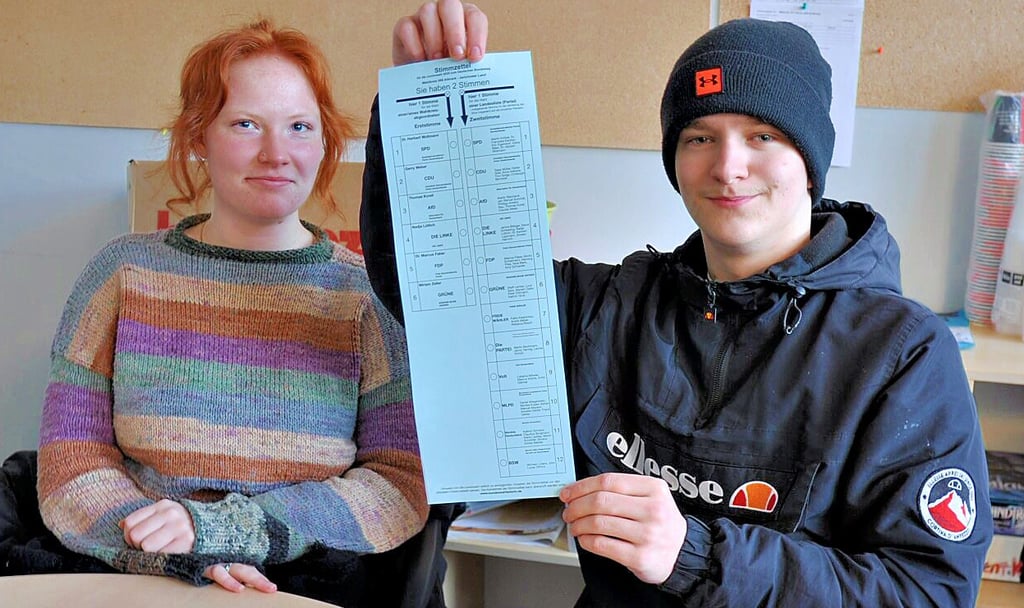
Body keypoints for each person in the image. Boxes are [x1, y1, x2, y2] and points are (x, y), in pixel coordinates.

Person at [360, 1, 993, 605]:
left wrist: (696, 554)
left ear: (809, 162)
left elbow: (926, 591)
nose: (728, 166)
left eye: (763, 135)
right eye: (699, 137)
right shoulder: (609, 304)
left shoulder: (901, 352)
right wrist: (417, 110)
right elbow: (437, 297)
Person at [36, 19, 427, 605]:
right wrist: (168, 553)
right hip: (139, 577)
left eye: (300, 127)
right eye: (246, 124)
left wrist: (226, 530)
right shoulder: (120, 274)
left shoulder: (368, 295)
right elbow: (70, 463)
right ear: (199, 136)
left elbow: (398, 485)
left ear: (325, 142)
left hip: (307, 584)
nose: (277, 153)